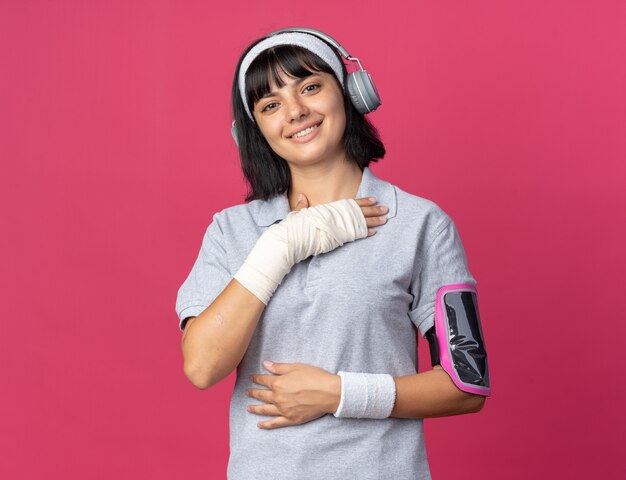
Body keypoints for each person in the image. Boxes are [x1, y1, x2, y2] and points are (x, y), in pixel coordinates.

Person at [176, 27, 490, 480]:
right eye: (270, 105)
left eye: (309, 86)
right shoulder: (232, 231)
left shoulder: (420, 224)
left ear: (349, 91)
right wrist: (282, 246)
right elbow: (202, 366)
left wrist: (340, 394)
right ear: (255, 130)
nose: (296, 111)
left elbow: (467, 384)